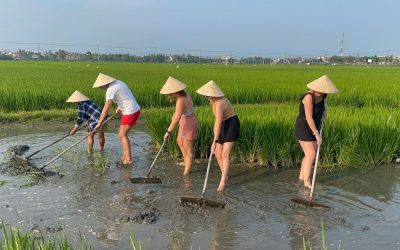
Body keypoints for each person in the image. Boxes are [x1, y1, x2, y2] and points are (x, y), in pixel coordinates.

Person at [294, 75, 339, 188]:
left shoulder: (323, 97)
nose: (320, 92)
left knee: (308, 155)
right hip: (304, 127)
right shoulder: (309, 97)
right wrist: (317, 135)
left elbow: (323, 112)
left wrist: (324, 113)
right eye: (319, 89)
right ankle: (307, 182)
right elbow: (309, 118)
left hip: (316, 126)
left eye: (323, 90)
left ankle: (302, 178)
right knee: (311, 154)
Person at [196, 80, 240, 191]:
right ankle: (225, 174)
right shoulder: (212, 102)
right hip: (222, 124)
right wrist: (214, 137)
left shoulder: (220, 102)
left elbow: (219, 121)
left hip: (231, 124)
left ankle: (223, 181)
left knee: (224, 153)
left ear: (213, 94)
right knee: (217, 152)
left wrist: (214, 142)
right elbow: (217, 122)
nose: (206, 97)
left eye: (208, 95)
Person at [92, 73, 141, 165]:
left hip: (130, 111)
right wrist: (120, 106)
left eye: (100, 86)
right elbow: (123, 96)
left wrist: (100, 122)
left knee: (123, 134)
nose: (100, 88)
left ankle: (128, 159)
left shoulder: (110, 89)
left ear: (104, 84)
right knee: (121, 134)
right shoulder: (118, 82)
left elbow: (106, 109)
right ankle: (125, 156)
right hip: (130, 109)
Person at [160, 76, 198, 175]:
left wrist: (168, 132)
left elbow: (176, 118)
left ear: (176, 91)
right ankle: (186, 161)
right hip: (184, 120)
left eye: (170, 93)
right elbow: (178, 114)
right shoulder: (183, 95)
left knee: (188, 149)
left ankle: (186, 173)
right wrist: (175, 117)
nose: (169, 95)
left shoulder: (181, 100)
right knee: (179, 141)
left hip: (189, 123)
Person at [67, 90, 105, 154]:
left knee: (89, 136)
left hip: (96, 120)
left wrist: (74, 129)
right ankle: (101, 150)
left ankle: (90, 153)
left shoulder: (81, 105)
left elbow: (80, 119)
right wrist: (88, 121)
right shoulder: (90, 102)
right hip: (103, 118)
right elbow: (94, 112)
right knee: (101, 135)